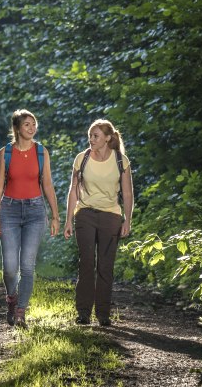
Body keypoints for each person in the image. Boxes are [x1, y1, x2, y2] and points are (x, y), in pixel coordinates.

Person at [0, 109, 60, 328]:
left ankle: (21, 312)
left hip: (35, 211)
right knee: (10, 268)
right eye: (27, 124)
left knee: (27, 267)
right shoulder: (6, 153)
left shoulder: (42, 152)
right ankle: (12, 299)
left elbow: (47, 184)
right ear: (17, 128)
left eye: (34, 124)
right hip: (9, 211)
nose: (32, 128)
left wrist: (55, 215)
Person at [63, 119, 134, 326]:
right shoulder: (82, 158)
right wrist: (69, 219)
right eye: (90, 136)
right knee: (86, 262)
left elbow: (128, 194)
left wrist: (127, 220)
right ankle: (83, 312)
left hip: (111, 216)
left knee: (105, 265)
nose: (91, 139)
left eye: (95, 136)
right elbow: (73, 190)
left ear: (107, 138)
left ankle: (103, 314)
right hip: (84, 213)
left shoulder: (121, 161)